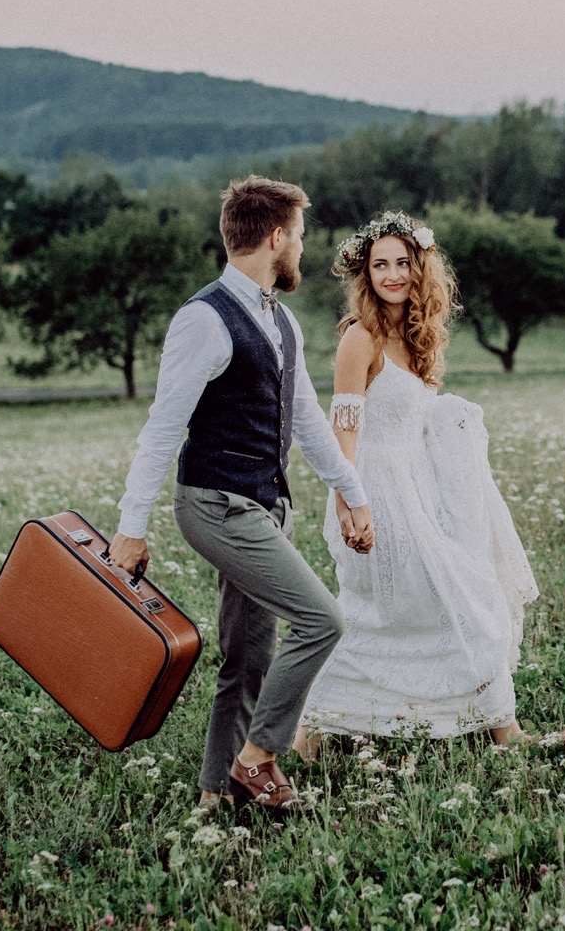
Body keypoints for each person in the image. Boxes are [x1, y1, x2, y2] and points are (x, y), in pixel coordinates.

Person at [108, 175, 373, 816]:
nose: (303, 249)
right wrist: (130, 527)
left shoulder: (280, 319)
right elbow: (162, 430)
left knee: (251, 656)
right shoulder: (203, 319)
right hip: (216, 506)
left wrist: (353, 494)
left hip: (267, 506)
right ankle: (258, 758)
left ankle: (215, 794)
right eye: (300, 236)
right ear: (276, 237)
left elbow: (305, 419)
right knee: (322, 620)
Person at [293, 210, 538, 752]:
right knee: (402, 609)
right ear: (366, 274)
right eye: (380, 265)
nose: (393, 274)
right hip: (376, 492)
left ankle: (501, 726)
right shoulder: (361, 338)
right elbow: (344, 428)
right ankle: (308, 735)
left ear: (420, 269)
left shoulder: (416, 337)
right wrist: (349, 502)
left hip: (422, 491)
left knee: (448, 601)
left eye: (403, 263)